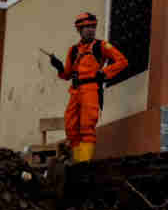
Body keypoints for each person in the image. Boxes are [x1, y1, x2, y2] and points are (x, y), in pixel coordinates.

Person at [48, 12, 126, 163]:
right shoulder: (74, 50)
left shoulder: (101, 46)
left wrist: (104, 73)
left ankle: (84, 165)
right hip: (75, 90)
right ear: (79, 30)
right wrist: (58, 67)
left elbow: (122, 61)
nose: (90, 30)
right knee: (71, 128)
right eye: (86, 27)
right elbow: (67, 75)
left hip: (91, 89)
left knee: (86, 126)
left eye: (92, 26)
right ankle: (79, 162)